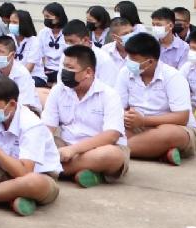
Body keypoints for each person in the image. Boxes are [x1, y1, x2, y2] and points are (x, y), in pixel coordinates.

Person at [40, 45, 129, 187]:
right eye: (64, 66)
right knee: (38, 142)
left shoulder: (109, 95)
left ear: (88, 72)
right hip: (65, 146)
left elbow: (111, 136)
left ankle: (49, 170)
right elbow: (47, 127)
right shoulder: (58, 90)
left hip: (98, 148)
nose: (64, 72)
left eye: (70, 68)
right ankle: (83, 171)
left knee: (113, 155)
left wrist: (73, 150)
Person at [0, 75, 61, 217]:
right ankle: (9, 198)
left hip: (38, 176)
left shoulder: (31, 124)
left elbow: (24, 173)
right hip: (3, 173)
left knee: (33, 182)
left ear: (12, 104)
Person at [115, 33, 196, 165]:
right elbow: (117, 106)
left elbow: (182, 117)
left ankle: (115, 152)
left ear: (150, 62)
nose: (129, 61)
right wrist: (126, 116)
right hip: (135, 127)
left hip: (171, 127)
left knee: (170, 134)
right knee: (110, 128)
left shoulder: (173, 76)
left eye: (134, 59)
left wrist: (143, 121)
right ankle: (159, 152)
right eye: (129, 57)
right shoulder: (125, 72)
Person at [0, 36, 41, 112]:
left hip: (26, 112)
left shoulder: (23, 73)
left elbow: (24, 106)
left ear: (12, 55)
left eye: (0, 51)